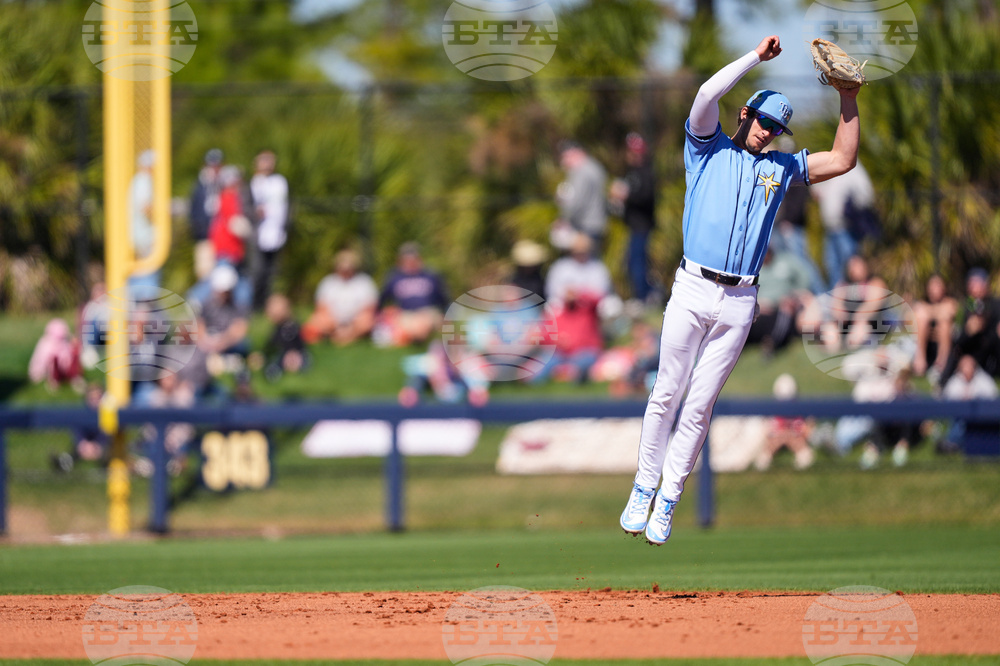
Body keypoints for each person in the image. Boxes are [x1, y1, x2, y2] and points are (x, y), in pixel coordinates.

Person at [620, 35, 862, 545]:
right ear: (745, 116)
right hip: (692, 286)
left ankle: (668, 499)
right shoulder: (705, 149)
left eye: (777, 127)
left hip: (739, 301)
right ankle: (644, 485)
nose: (768, 132)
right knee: (666, 392)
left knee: (699, 404)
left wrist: (848, 99)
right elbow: (705, 95)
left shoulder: (780, 167)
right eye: (762, 121)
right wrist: (755, 57)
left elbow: (842, 160)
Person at [609, 132, 657, 303]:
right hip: (633, 224)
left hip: (642, 225)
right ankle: (642, 294)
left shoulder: (646, 172)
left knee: (638, 262)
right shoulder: (631, 172)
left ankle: (643, 297)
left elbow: (646, 197)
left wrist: (626, 196)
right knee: (633, 261)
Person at [811, 161, 875, 288]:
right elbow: (817, 191)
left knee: (850, 266)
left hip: (847, 228)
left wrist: (851, 207)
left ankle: (853, 298)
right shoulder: (831, 165)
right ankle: (837, 300)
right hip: (831, 228)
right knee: (833, 266)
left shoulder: (853, 166)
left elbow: (866, 193)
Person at [374, 242, 449, 347]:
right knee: (412, 327)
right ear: (400, 261)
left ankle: (413, 336)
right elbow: (382, 299)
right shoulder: (394, 277)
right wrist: (380, 315)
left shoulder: (431, 275)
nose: (411, 262)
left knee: (422, 326)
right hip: (405, 314)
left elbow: (443, 298)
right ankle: (410, 336)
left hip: (428, 313)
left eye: (414, 259)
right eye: (407, 259)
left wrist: (445, 315)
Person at [936, 268, 1000, 387]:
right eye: (972, 284)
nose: (974, 287)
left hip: (992, 353)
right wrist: (968, 331)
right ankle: (942, 382)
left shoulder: (995, 304)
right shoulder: (968, 306)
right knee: (956, 349)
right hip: (973, 354)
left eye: (978, 283)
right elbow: (960, 340)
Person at [302, 249, 378, 346]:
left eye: (348, 268)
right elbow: (321, 308)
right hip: (333, 322)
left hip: (356, 322)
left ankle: (344, 337)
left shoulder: (365, 282)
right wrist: (336, 326)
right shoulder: (328, 282)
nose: (345, 271)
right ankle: (342, 336)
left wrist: (351, 326)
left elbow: (369, 308)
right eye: (342, 268)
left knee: (367, 321)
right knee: (317, 321)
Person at [249, 150, 290, 310]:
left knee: (272, 273)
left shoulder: (280, 182)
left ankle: (268, 305)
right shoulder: (253, 183)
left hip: (276, 234)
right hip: (258, 235)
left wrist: (285, 226)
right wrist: (255, 212)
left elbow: (286, 206)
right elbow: (245, 207)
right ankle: (255, 306)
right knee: (258, 272)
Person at [553, 141, 608, 252]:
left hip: (584, 225)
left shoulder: (581, 171)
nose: (564, 161)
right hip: (596, 223)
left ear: (576, 153)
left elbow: (576, 201)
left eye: (565, 156)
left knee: (583, 263)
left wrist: (564, 218)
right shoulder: (595, 167)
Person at [912, 273, 958, 380]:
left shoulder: (950, 302)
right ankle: (920, 360)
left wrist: (929, 312)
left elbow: (948, 312)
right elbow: (918, 313)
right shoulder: (921, 303)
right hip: (928, 342)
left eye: (938, 285)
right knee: (923, 320)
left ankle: (942, 363)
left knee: (944, 324)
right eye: (933, 285)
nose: (935, 289)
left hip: (946, 340)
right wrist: (936, 312)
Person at [209, 165, 252, 272]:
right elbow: (236, 224)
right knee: (223, 281)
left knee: (241, 283)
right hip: (227, 247)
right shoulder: (228, 197)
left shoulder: (224, 197)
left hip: (231, 247)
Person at [189, 148, 224, 259]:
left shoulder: (224, 184)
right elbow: (194, 210)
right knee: (205, 268)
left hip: (222, 236)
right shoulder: (199, 185)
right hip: (204, 235)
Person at [28, 318, 82, 390]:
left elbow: (68, 355)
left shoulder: (65, 343)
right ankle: (54, 380)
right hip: (51, 369)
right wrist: (38, 373)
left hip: (63, 368)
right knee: (53, 362)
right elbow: (41, 360)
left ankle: (72, 378)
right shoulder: (45, 344)